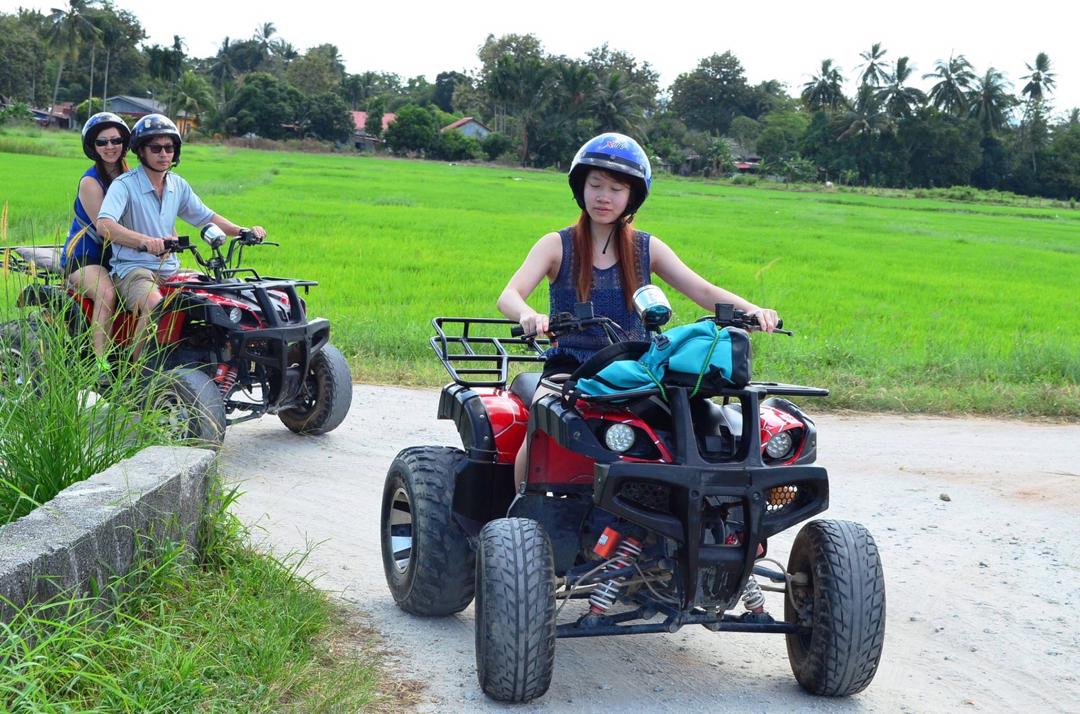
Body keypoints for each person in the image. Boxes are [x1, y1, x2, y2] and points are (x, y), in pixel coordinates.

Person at [497, 132, 779, 488]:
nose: (604, 196)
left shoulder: (646, 248)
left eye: (616, 189)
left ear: (632, 196)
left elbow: (702, 289)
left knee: (682, 427)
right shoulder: (557, 245)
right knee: (541, 422)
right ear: (580, 187)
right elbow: (509, 295)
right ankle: (522, 507)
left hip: (637, 367)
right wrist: (527, 315)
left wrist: (754, 311)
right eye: (596, 184)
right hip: (570, 367)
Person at [96, 114, 265, 358]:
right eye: (156, 148)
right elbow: (105, 225)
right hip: (134, 270)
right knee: (155, 304)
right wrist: (144, 241)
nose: (164, 153)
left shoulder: (177, 185)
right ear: (141, 151)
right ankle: (138, 373)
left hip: (170, 270)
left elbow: (206, 217)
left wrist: (242, 231)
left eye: (169, 147)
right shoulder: (124, 185)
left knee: (219, 301)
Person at [61, 111, 130, 373]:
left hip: (119, 255)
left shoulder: (131, 175)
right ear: (93, 147)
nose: (110, 147)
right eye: (102, 142)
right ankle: (99, 363)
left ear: (124, 142)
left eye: (115, 140)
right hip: (86, 256)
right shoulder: (91, 182)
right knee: (107, 293)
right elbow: (106, 230)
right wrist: (146, 241)